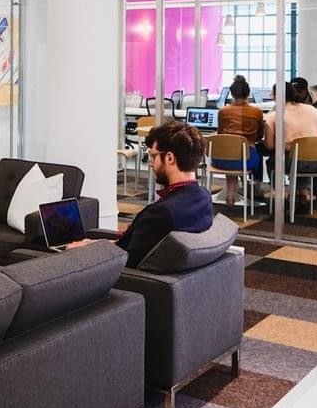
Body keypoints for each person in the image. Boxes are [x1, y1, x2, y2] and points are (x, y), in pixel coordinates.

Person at [111, 121, 215, 267]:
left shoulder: (162, 213)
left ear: (170, 158)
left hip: (126, 278)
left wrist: (93, 250)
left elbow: (125, 260)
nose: (151, 163)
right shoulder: (203, 197)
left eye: (154, 156)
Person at [263, 81, 317, 206]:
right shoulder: (313, 110)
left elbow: (269, 145)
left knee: (274, 160)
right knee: (303, 154)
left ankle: (279, 193)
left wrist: (286, 144)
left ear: (277, 96)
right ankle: (303, 193)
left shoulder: (274, 117)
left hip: (295, 163)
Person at [214, 75, 264, 207]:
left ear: (231, 93)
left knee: (230, 153)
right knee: (242, 154)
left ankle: (230, 194)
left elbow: (220, 134)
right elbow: (259, 136)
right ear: (248, 93)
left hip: (221, 159)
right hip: (247, 159)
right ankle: (251, 188)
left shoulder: (223, 111)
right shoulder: (257, 112)